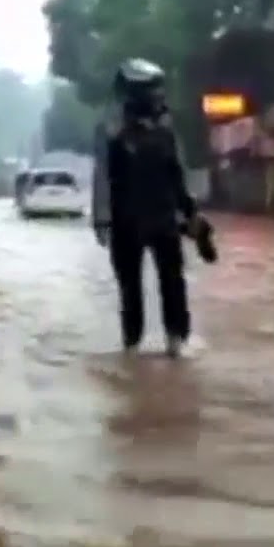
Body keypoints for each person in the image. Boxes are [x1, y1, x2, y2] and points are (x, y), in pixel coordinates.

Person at [91, 58, 201, 357]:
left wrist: (191, 212)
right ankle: (132, 344)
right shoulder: (111, 132)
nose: (159, 96)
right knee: (130, 287)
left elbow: (177, 173)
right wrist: (102, 219)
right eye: (153, 90)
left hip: (163, 218)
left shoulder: (166, 129)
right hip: (125, 221)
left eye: (159, 90)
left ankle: (176, 338)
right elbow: (102, 176)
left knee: (173, 281)